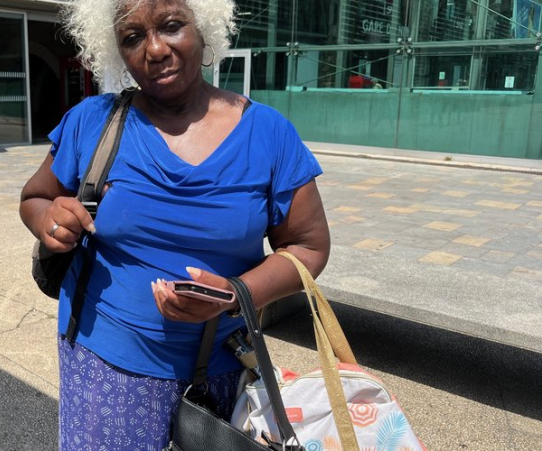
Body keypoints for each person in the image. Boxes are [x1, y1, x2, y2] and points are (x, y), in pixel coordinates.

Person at [19, 0, 331, 449]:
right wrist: (48, 219)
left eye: (170, 26)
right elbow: (35, 197)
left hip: (220, 373)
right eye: (131, 37)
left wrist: (233, 295)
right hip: (102, 366)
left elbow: (308, 247)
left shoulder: (269, 134)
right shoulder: (93, 121)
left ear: (204, 29)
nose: (155, 49)